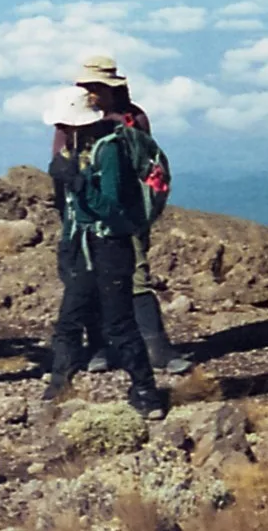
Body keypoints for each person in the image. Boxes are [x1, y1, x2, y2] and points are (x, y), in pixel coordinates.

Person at [44, 87, 166, 417]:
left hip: (111, 245)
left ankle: (147, 391)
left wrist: (78, 185)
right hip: (84, 244)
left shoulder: (109, 151)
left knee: (118, 324)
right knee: (70, 317)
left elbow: (109, 208)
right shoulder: (78, 146)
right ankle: (58, 384)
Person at [68, 55, 189, 375]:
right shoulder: (75, 117)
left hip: (126, 216)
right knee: (93, 278)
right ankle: (103, 347)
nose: (90, 92)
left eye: (95, 86)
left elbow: (147, 166)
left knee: (136, 276)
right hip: (88, 215)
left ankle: (154, 348)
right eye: (86, 86)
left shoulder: (132, 119)